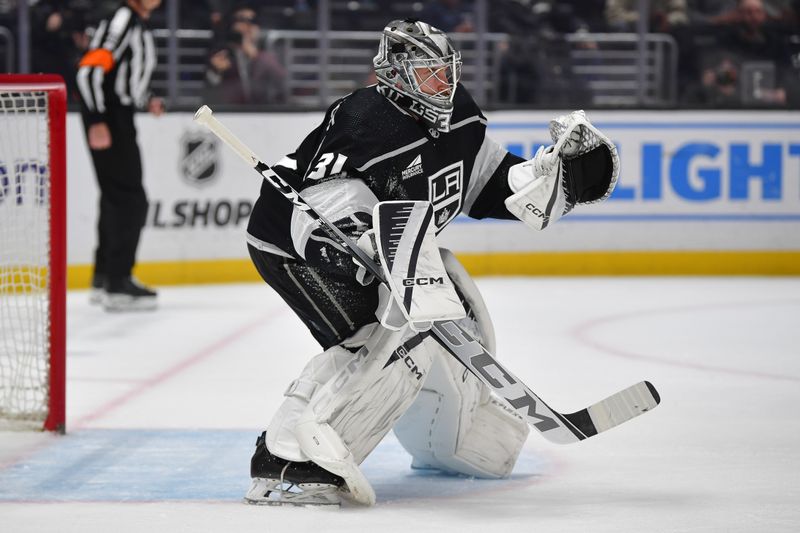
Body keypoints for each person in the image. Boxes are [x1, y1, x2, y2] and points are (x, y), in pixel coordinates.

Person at [244, 19, 619, 506]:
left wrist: (544, 179)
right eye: (430, 74)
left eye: (447, 72)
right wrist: (357, 240)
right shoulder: (363, 121)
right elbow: (313, 204)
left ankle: (456, 440)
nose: (445, 84)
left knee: (452, 306)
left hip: (390, 244)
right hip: (299, 248)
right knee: (384, 337)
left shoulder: (459, 115)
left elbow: (484, 177)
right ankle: (288, 459)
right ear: (396, 74)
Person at [76, 0, 163, 311]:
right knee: (130, 199)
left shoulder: (130, 20)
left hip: (115, 112)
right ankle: (117, 281)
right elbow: (89, 72)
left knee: (115, 196)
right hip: (110, 115)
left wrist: (147, 98)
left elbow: (122, 72)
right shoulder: (124, 18)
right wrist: (98, 118)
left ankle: (105, 278)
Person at [203, 4, 287, 105]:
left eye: (252, 21)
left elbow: (280, 81)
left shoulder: (269, 50)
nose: (247, 26)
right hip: (230, 110)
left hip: (263, 110)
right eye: (241, 20)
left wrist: (256, 56)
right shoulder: (223, 51)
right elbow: (210, 86)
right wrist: (216, 71)